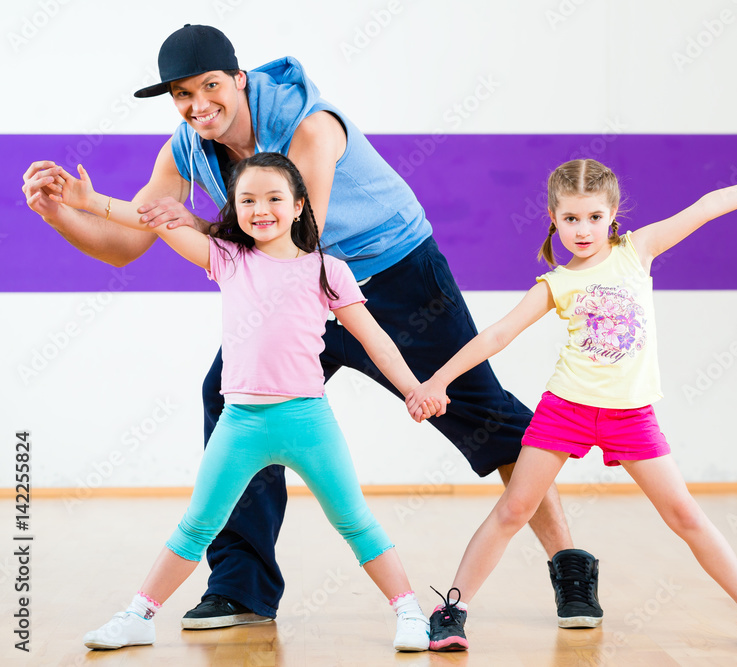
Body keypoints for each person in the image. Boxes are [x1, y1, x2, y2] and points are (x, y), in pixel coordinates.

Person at [21, 24, 600, 630]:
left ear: (239, 79)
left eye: (211, 86)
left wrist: (173, 218)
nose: (198, 105)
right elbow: (126, 245)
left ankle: (570, 566)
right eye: (182, 94)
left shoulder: (310, 125)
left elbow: (298, 241)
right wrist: (67, 212)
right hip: (289, 294)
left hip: (395, 277)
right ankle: (241, 589)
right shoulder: (187, 147)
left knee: (483, 413)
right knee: (233, 399)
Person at [405, 146, 737, 652]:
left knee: (684, 514)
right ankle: (452, 611)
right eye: (571, 218)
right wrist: (437, 382)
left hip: (631, 416)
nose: (583, 229)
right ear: (554, 219)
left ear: (613, 217)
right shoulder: (557, 282)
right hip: (566, 410)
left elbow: (706, 205)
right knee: (515, 507)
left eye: (595, 217)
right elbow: (496, 335)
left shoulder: (637, 251)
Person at [53, 151, 441, 652]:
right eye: (247, 200)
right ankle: (138, 615)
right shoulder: (227, 257)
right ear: (233, 209)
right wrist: (91, 202)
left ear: (300, 205)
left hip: (307, 421)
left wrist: (413, 388)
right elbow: (153, 217)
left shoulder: (329, 270)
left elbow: (376, 340)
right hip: (239, 423)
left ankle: (409, 613)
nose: (262, 209)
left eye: (275, 198)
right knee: (196, 526)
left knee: (354, 521)